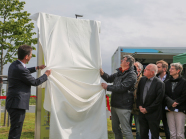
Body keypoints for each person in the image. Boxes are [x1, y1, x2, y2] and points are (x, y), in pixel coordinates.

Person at [6, 44, 51, 139]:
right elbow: (35, 82)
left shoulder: (14, 65)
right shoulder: (21, 69)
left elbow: (24, 71)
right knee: (15, 132)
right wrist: (46, 75)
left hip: (13, 102)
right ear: (26, 57)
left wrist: (37, 67)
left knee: (15, 130)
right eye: (31, 55)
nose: (31, 56)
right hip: (17, 104)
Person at [100, 55, 137, 139]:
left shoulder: (131, 75)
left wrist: (107, 87)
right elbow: (109, 79)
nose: (121, 61)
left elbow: (122, 87)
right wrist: (102, 73)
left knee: (126, 130)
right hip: (115, 105)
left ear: (127, 63)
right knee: (115, 129)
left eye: (123, 60)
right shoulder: (119, 73)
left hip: (124, 106)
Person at [137, 64, 164, 139]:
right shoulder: (142, 80)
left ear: (152, 72)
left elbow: (158, 100)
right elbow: (138, 94)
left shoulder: (159, 83)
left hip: (153, 114)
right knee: (143, 134)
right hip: (142, 113)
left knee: (154, 135)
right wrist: (140, 106)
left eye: (146, 69)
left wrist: (147, 109)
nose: (144, 70)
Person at [164, 63, 186, 139]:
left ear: (178, 70)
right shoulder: (166, 82)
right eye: (170, 68)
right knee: (172, 134)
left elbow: (184, 95)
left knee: (179, 134)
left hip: (180, 110)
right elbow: (164, 95)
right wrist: (171, 103)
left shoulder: (184, 82)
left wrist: (176, 103)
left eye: (172, 68)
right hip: (169, 109)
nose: (169, 70)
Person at [156, 60, 170, 139]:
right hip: (156, 108)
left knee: (167, 129)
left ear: (164, 69)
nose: (156, 68)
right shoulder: (153, 79)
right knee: (154, 129)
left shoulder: (170, 79)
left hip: (167, 109)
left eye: (158, 67)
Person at [130, 62, 143, 139]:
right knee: (127, 129)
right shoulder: (129, 78)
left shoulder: (143, 80)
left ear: (139, 69)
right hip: (128, 108)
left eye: (135, 67)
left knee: (139, 131)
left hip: (138, 109)